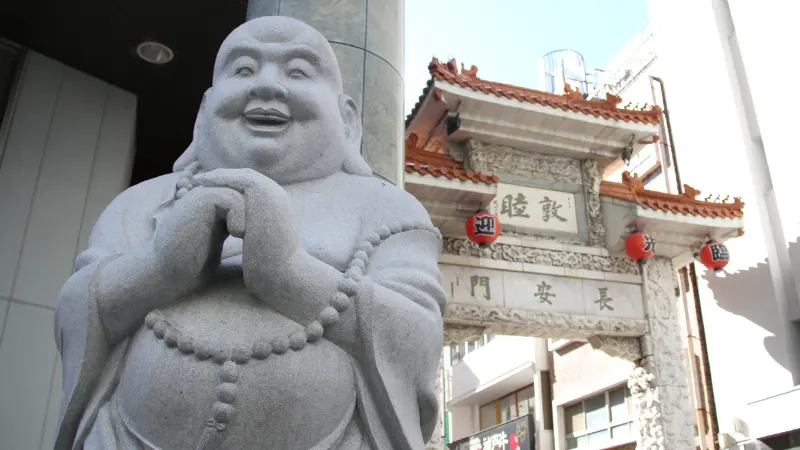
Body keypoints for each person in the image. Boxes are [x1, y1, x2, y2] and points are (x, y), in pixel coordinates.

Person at [54, 16, 446, 450]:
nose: (266, 86)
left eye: (297, 72)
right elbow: (76, 309)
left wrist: (291, 275)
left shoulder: (386, 208)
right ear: (204, 110)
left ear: (347, 117)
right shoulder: (140, 204)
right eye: (242, 69)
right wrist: (160, 267)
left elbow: (418, 338)